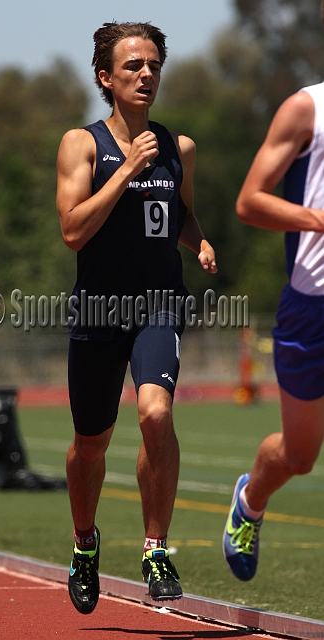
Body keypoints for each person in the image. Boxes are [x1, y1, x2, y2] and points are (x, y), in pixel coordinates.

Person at [56, 21, 217, 614]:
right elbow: (73, 231)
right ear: (106, 77)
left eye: (153, 64)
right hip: (99, 310)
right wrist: (125, 170)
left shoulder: (180, 149)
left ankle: (155, 548)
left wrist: (197, 241)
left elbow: (183, 215)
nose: (146, 74)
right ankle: (84, 542)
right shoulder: (81, 144)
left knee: (155, 412)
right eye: (133, 66)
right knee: (90, 444)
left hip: (158, 304)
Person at [223, 44, 324, 580]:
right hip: (312, 308)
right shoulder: (306, 110)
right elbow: (249, 201)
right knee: (300, 456)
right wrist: (317, 218)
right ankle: (250, 501)